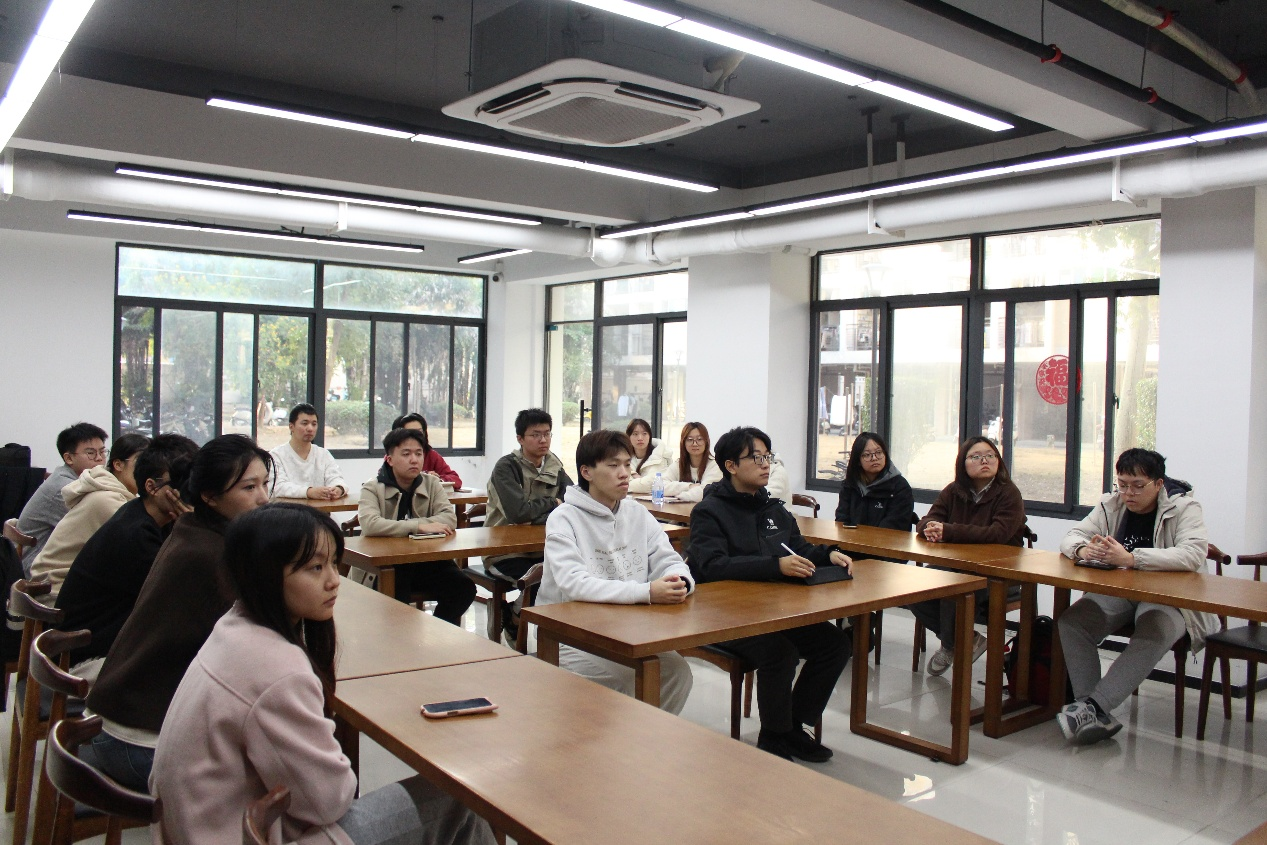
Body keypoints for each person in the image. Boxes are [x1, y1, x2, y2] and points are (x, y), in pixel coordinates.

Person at [151, 504, 497, 845]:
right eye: (315, 568)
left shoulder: (235, 626)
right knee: (460, 797)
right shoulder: (277, 668)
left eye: (333, 563)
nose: (333, 581)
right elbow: (328, 801)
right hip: (237, 835)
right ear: (264, 576)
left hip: (202, 826)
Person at [82, 435, 272, 791]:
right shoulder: (211, 556)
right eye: (249, 487)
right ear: (209, 496)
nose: (263, 498)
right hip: (139, 744)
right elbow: (258, 647)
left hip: (115, 722)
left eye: (265, 484)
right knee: (280, 780)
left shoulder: (191, 530)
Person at [687, 426, 852, 762]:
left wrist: (828, 554)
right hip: (724, 614)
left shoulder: (773, 508)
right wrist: (775, 567)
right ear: (731, 466)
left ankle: (792, 726)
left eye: (768, 457)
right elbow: (712, 566)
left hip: (773, 610)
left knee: (835, 643)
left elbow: (798, 548)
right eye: (756, 458)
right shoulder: (709, 511)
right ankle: (774, 736)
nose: (766, 465)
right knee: (780, 652)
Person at [1055, 449, 1216, 745]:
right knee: (1073, 622)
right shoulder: (1111, 504)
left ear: (1158, 483)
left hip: (1170, 597)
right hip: (1121, 593)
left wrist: (1132, 559)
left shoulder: (1184, 507)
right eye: (1123, 484)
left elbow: (1193, 553)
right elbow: (1072, 535)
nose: (1129, 493)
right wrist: (1083, 549)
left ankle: (1094, 708)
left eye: (1138, 486)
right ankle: (1090, 710)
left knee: (1155, 631)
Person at [542, 430, 694, 712]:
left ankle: (643, 737)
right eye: (613, 465)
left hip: (627, 630)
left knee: (677, 672)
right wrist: (647, 592)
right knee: (622, 684)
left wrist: (680, 581)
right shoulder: (563, 518)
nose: (624, 473)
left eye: (627, 464)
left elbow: (668, 558)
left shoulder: (636, 513)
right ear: (586, 472)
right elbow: (573, 583)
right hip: (570, 635)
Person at [55, 434, 199, 671]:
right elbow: (182, 594)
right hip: (84, 659)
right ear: (151, 487)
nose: (189, 491)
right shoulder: (135, 534)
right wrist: (196, 528)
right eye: (180, 482)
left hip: (102, 645)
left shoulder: (147, 515)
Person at [909, 436, 1027, 677]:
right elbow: (928, 519)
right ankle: (966, 640)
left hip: (998, 573)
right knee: (913, 587)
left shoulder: (1008, 493)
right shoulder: (954, 491)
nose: (985, 460)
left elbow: (997, 533)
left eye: (990, 456)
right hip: (956, 565)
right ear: (963, 463)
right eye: (976, 456)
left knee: (953, 587)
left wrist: (949, 531)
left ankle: (950, 645)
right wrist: (930, 527)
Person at [358, 427, 474, 624]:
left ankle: (435, 634)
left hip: (427, 561)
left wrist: (414, 525)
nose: (414, 460)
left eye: (419, 454)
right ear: (390, 459)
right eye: (406, 454)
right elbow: (370, 524)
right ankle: (400, 640)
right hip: (388, 565)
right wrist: (418, 526)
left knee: (463, 588)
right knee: (398, 594)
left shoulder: (432, 483)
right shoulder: (373, 487)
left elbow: (449, 518)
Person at [483, 408, 574, 643]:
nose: (543, 440)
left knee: (567, 575)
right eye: (535, 434)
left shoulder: (554, 466)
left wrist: (539, 513)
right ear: (520, 439)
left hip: (541, 548)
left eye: (547, 433)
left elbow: (572, 503)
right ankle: (516, 621)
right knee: (545, 579)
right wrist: (553, 503)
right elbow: (518, 513)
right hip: (504, 551)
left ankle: (513, 615)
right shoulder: (506, 467)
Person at [31, 433, 150, 597]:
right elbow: (143, 544)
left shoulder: (105, 488)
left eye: (102, 452)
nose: (147, 472)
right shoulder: (107, 500)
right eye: (141, 463)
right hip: (57, 588)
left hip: (61, 580)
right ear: (118, 464)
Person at [15, 422, 108, 573]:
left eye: (102, 452)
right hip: (38, 567)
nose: (99, 459)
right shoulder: (66, 488)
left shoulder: (75, 479)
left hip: (52, 560)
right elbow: (96, 529)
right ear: (69, 458)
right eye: (91, 453)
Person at [834, 432, 915, 530]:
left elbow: (894, 525)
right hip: (852, 538)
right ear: (858, 460)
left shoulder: (900, 487)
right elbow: (841, 520)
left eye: (879, 452)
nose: (874, 458)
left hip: (886, 539)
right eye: (867, 455)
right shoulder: (850, 485)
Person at [270, 403, 347, 500]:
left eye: (314, 424)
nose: (310, 428)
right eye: (304, 423)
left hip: (321, 509)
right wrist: (309, 492)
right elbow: (278, 487)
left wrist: (338, 489)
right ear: (291, 426)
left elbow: (336, 478)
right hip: (288, 509)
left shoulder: (323, 454)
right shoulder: (276, 455)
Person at [390, 413, 462, 487]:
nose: (415, 436)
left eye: (419, 432)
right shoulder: (393, 455)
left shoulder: (431, 455)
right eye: (406, 454)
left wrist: (438, 479)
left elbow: (456, 480)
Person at [662, 422, 722, 503]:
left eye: (699, 439)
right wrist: (689, 486)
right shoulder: (678, 464)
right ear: (683, 443)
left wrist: (678, 496)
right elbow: (660, 486)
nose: (695, 444)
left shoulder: (714, 465)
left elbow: (704, 492)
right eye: (690, 440)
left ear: (706, 441)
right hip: (679, 508)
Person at [624, 418, 674, 495]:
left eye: (644, 434)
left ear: (649, 436)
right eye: (635, 434)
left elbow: (652, 485)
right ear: (628, 437)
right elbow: (617, 483)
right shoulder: (624, 458)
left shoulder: (660, 456)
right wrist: (636, 476)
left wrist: (633, 476)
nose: (640, 438)